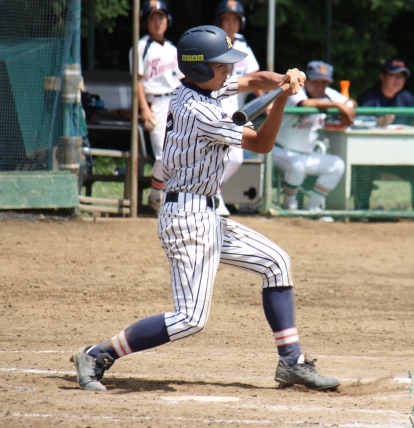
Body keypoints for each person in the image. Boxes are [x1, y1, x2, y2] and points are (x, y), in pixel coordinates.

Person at [71, 25, 340, 392]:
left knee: (276, 262)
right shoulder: (199, 111)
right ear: (198, 68)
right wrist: (280, 100)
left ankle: (291, 363)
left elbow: (252, 80)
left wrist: (283, 80)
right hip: (187, 220)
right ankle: (97, 353)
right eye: (220, 65)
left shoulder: (197, 86)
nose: (228, 70)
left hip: (208, 213)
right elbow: (262, 143)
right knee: (190, 319)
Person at [273, 61, 351, 215]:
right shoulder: (295, 90)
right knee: (297, 166)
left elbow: (350, 102)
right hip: (279, 151)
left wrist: (347, 107)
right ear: (306, 80)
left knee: (337, 165)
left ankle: (313, 207)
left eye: (324, 83)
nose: (320, 86)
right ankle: (289, 206)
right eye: (316, 81)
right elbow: (305, 104)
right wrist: (338, 106)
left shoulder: (329, 94)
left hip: (307, 154)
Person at [354, 58, 414, 211]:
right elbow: (358, 123)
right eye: (394, 76)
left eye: (401, 77)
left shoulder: (406, 97)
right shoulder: (369, 97)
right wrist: (379, 122)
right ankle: (361, 211)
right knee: (363, 169)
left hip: (400, 158)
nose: (398, 80)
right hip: (372, 158)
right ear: (382, 77)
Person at [131, 0, 183, 213]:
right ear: (146, 22)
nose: (157, 22)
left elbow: (182, 80)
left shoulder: (172, 49)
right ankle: (155, 197)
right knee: (164, 155)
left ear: (167, 20)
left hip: (175, 101)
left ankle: (163, 198)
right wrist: (144, 108)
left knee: (180, 152)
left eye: (160, 17)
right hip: (155, 104)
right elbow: (137, 81)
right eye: (152, 18)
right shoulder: (141, 46)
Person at [213, 0, 262, 217]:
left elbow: (254, 76)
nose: (231, 24)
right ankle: (213, 194)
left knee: (236, 158)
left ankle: (211, 190)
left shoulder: (242, 44)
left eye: (235, 20)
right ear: (219, 21)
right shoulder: (213, 41)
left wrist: (265, 103)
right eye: (227, 19)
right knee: (218, 153)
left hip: (235, 109)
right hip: (215, 105)